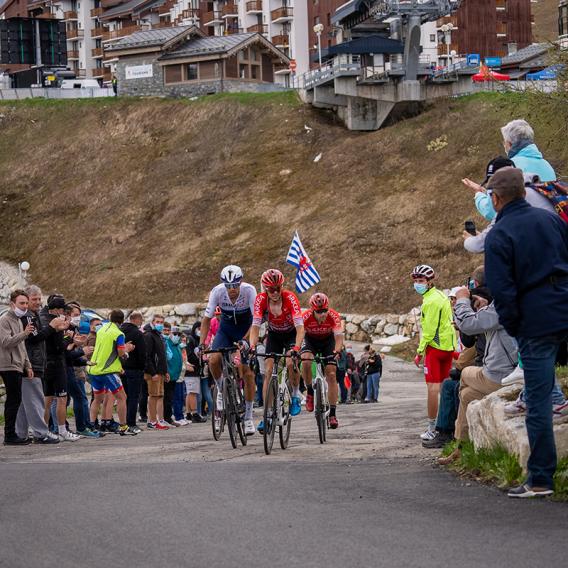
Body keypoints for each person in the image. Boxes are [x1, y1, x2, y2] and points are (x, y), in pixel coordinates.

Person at [484, 166, 568, 498]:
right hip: (564, 305)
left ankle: (541, 479)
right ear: (523, 192)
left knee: (537, 400)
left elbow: (502, 291)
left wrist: (516, 326)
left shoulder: (500, 235)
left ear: (496, 198)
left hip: (536, 319)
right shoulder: (549, 220)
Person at [438, 285, 518, 465]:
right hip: (505, 371)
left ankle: (459, 444)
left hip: (501, 375)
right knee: (466, 395)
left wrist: (462, 300)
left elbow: (468, 325)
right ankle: (461, 448)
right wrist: (483, 307)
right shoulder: (512, 299)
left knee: (464, 373)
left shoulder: (506, 302)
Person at [200, 265, 257, 435]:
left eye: (235, 285)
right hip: (225, 330)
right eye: (228, 286)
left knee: (247, 373)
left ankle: (248, 417)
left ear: (241, 282)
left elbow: (256, 322)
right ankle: (220, 388)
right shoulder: (217, 291)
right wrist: (202, 344)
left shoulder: (249, 291)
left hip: (245, 330)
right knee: (213, 359)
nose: (232, 289)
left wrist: (246, 341)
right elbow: (206, 320)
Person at [249, 269, 304, 433]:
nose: (274, 292)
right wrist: (252, 346)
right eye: (270, 289)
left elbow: (300, 328)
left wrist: (296, 348)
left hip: (291, 334)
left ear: (282, 286)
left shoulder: (290, 298)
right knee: (268, 370)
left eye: (277, 288)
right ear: (265, 289)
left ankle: (295, 394)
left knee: (289, 361)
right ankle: (267, 415)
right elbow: (255, 326)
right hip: (274, 335)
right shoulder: (261, 300)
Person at [411, 264, 457, 442]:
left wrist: (420, 351)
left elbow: (428, 331)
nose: (417, 284)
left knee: (433, 389)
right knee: (445, 388)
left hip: (434, 349)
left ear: (430, 282)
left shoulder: (430, 301)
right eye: (415, 281)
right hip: (447, 348)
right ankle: (446, 425)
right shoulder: (441, 296)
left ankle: (432, 428)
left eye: (421, 281)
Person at [15, 285, 64, 444]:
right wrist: (52, 327)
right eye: (33, 299)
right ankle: (41, 433)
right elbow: (34, 338)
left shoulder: (34, 315)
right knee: (36, 400)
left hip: (33, 362)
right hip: (30, 363)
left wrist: (54, 329)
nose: (37, 302)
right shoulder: (28, 317)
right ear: (26, 300)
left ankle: (20, 433)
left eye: (39, 298)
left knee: (24, 402)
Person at [88, 310, 137, 436]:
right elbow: (121, 353)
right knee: (122, 397)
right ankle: (123, 426)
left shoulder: (102, 329)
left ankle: (92, 426)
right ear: (122, 321)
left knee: (97, 399)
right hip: (108, 371)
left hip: (94, 369)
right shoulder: (118, 333)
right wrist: (127, 350)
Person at [39, 295, 81, 441]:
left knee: (47, 399)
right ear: (57, 310)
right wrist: (69, 338)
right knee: (62, 398)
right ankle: (62, 429)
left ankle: (43, 430)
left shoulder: (43, 319)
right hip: (57, 364)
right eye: (63, 310)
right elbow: (60, 347)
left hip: (46, 364)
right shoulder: (56, 322)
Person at [300, 293, 343, 429]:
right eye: (319, 312)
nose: (322, 314)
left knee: (331, 374)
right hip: (310, 340)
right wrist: (296, 349)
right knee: (306, 361)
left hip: (327, 341)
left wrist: (337, 351)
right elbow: (299, 334)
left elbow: (339, 337)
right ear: (313, 310)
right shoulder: (305, 316)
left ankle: (332, 414)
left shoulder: (333, 316)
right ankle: (310, 392)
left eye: (325, 310)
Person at [0, 290, 35, 445]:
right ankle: (9, 435)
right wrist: (25, 334)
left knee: (15, 400)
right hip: (8, 365)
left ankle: (11, 434)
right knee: (13, 400)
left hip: (17, 365)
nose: (25, 306)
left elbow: (21, 347)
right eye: (22, 303)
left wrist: (28, 365)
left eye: (26, 303)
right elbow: (6, 342)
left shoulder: (20, 321)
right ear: (12, 304)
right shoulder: (5, 320)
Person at [121, 311, 146, 434]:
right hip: (135, 369)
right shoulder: (137, 333)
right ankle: (131, 423)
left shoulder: (120, 331)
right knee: (133, 397)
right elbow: (142, 353)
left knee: (123, 397)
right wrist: (143, 367)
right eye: (141, 320)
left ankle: (123, 422)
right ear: (136, 320)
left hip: (122, 369)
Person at [143, 314, 170, 430]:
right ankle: (152, 421)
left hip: (160, 372)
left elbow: (162, 356)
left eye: (161, 322)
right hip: (153, 372)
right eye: (157, 322)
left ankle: (158, 419)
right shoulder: (149, 335)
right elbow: (147, 356)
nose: (159, 324)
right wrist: (152, 372)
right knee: (153, 396)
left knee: (159, 395)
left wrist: (165, 371)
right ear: (153, 322)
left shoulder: (159, 335)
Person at [184, 321, 208, 422]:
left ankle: (188, 413)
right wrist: (201, 359)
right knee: (193, 392)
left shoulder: (197, 341)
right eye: (199, 328)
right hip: (192, 369)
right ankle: (194, 413)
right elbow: (190, 355)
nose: (200, 331)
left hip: (195, 369)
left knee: (190, 393)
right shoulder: (191, 340)